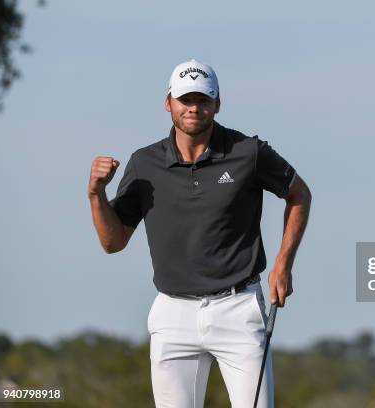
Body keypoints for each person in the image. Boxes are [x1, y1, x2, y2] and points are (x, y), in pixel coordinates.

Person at [87, 58, 312, 407]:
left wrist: (283, 264)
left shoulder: (248, 152)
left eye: (203, 100)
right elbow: (113, 242)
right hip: (172, 314)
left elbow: (299, 194)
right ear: (169, 103)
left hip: (239, 307)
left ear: (217, 105)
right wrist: (96, 194)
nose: (194, 108)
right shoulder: (144, 163)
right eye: (185, 100)